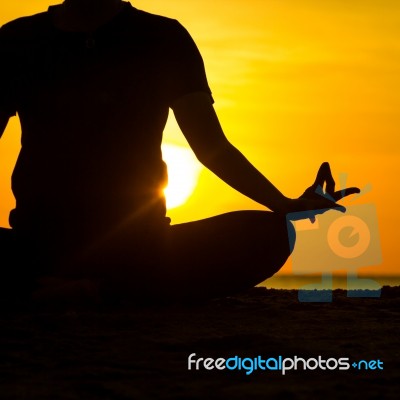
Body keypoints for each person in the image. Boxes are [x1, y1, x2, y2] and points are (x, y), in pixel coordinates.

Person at [0, 0, 359, 303]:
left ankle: (91, 288)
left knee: (270, 233)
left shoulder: (162, 37)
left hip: (139, 246)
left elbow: (211, 147)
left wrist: (281, 204)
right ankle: (99, 289)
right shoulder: (18, 39)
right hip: (38, 239)